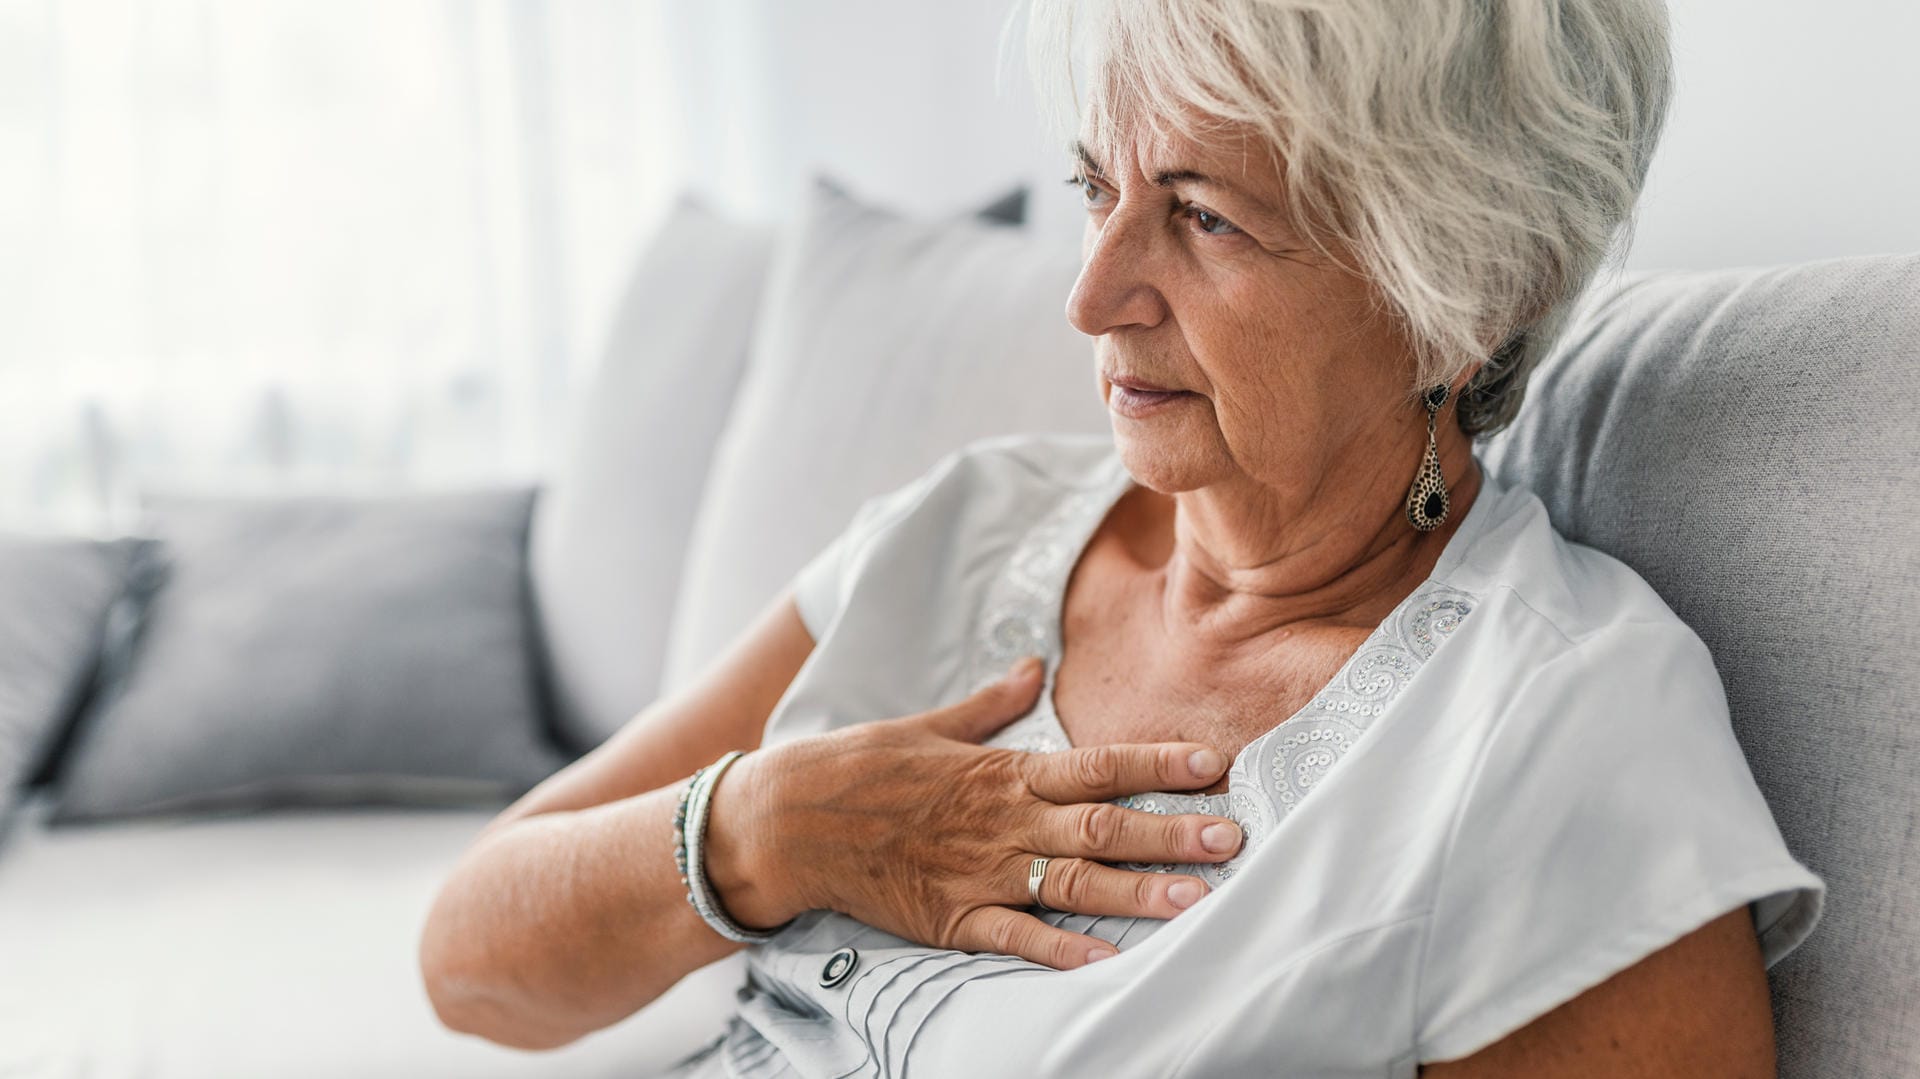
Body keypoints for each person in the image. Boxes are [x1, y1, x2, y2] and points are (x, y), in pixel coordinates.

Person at [419, 0, 1826, 1074]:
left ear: (1465, 290)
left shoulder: (1557, 729)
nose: (1091, 297)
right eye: (1099, 191)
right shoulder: (967, 526)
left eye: (1203, 219)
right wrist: (771, 828)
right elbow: (469, 957)